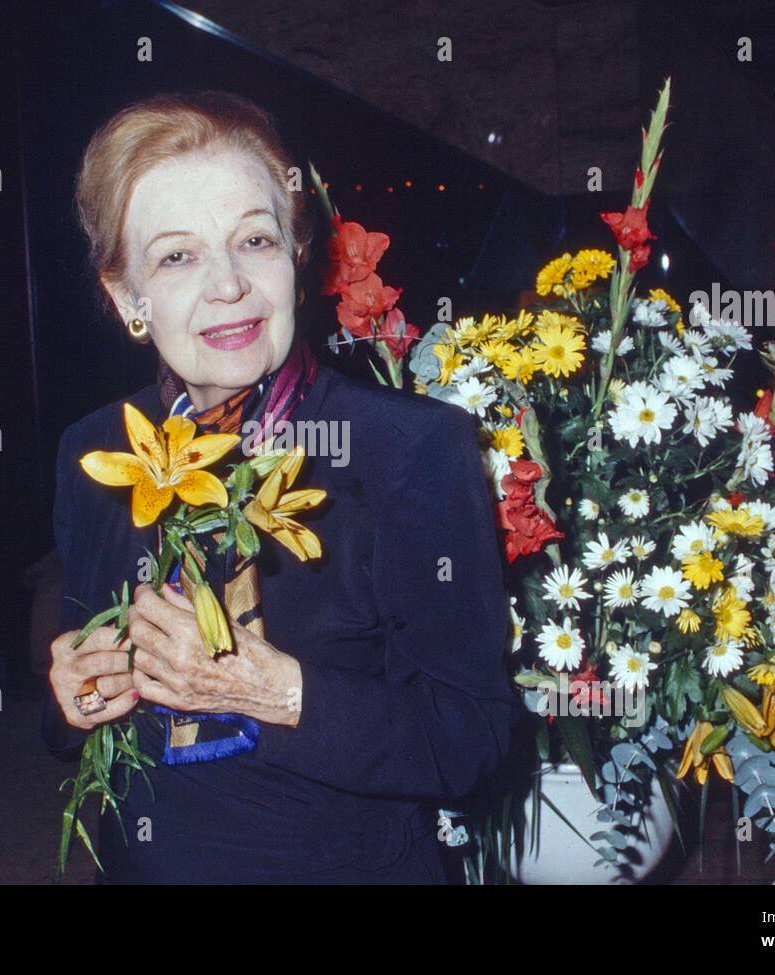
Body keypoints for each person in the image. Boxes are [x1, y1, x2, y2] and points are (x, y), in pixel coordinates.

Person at [42, 89, 519, 883]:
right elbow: (71, 716)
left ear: (296, 255)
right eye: (176, 256)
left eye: (253, 240)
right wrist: (72, 697)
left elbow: (472, 738)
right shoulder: (93, 450)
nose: (227, 285)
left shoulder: (412, 448)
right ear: (127, 297)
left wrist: (277, 690)